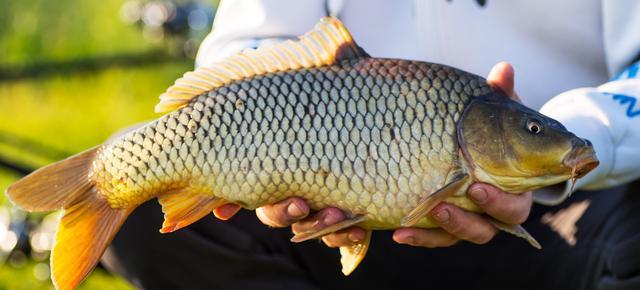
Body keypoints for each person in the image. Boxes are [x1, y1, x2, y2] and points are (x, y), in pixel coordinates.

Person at [103, 1, 640, 289]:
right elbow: (250, 39)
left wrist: (567, 132)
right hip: (339, 209)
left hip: (570, 209)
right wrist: (272, 150)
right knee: (138, 214)